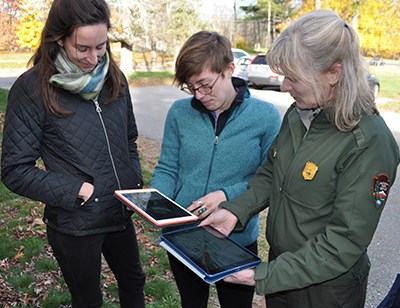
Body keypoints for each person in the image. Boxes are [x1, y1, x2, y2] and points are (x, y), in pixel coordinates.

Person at [200, 10, 400, 308]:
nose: (284, 87)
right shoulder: (300, 113)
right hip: (284, 274)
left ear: (334, 72)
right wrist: (235, 211)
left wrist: (263, 276)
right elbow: (271, 172)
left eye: (294, 78)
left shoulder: (368, 142)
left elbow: (342, 244)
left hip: (326, 292)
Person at [1, 0, 146, 307]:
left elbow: (129, 138)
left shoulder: (114, 77)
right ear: (59, 39)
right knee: (88, 299)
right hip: (76, 223)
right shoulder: (32, 89)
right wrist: (78, 190)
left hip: (120, 212)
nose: (94, 58)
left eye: (101, 46)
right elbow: (15, 169)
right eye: (82, 49)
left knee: (134, 283)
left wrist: (133, 179)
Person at [150, 31, 281, 308]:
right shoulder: (178, 112)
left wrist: (226, 195)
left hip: (235, 239)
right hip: (183, 237)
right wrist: (156, 202)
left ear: (229, 69)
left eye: (205, 84)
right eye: (190, 87)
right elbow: (168, 167)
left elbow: (269, 180)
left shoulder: (266, 117)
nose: (199, 95)